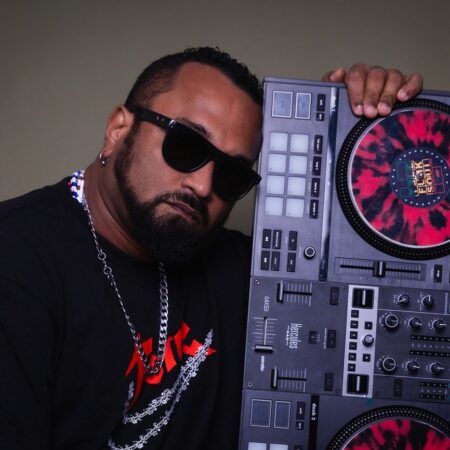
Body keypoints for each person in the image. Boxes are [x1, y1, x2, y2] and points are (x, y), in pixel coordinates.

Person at [0, 47, 423, 450]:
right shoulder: (18, 256)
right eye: (186, 146)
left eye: (231, 174)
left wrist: (359, 128)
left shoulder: (244, 272)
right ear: (117, 130)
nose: (203, 186)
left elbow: (391, 317)